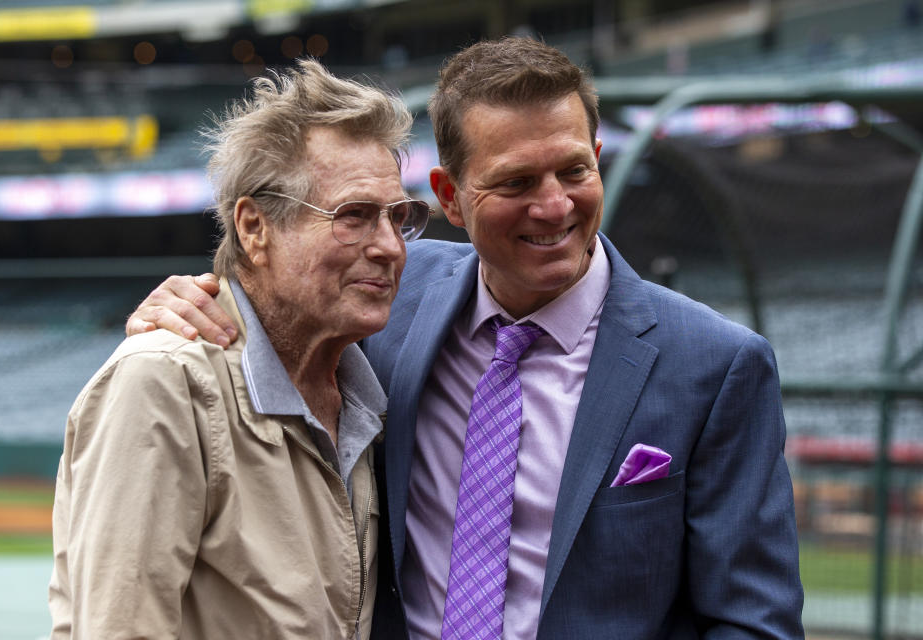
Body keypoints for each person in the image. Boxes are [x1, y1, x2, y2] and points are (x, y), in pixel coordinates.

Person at [126, 38, 804, 639]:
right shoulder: (386, 299)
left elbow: (753, 621)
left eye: (574, 170)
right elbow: (277, 283)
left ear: (598, 159)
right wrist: (199, 297)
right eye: (515, 182)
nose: (554, 205)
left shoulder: (716, 365)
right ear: (449, 197)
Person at [49, 59, 430, 639]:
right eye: (353, 216)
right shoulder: (163, 383)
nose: (389, 247)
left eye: (398, 217)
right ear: (254, 228)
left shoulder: (359, 385)